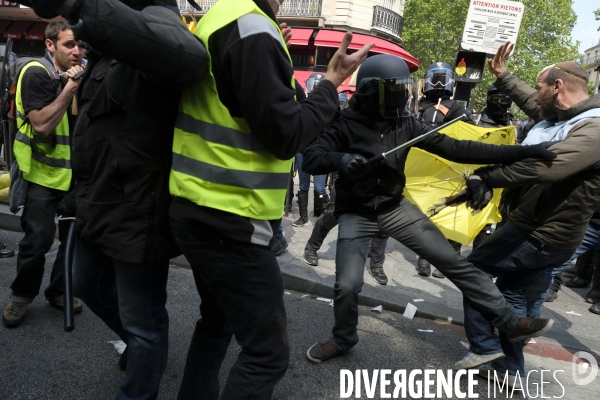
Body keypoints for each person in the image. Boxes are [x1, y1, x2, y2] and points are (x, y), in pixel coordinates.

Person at [166, 0, 373, 398]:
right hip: (230, 218)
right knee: (267, 354)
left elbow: (258, 110)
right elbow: (286, 136)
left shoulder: (225, 16)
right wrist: (329, 85)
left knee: (217, 322)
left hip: (201, 207)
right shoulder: (251, 28)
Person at [301, 53, 557, 363]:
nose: (401, 96)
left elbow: (459, 149)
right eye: (393, 90)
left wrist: (523, 152)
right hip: (357, 213)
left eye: (402, 89)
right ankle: (343, 339)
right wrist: (340, 160)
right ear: (372, 91)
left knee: (454, 262)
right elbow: (313, 156)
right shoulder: (343, 123)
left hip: (397, 209)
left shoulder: (407, 122)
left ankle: (509, 321)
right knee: (347, 285)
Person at [18, 0, 208, 398]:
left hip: (138, 212)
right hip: (95, 206)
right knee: (83, 283)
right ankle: (146, 348)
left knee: (145, 324)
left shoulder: (156, 28)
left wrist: (78, 5)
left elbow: (188, 56)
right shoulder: (106, 56)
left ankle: (142, 368)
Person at [456, 52, 600, 380]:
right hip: (551, 233)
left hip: (538, 233)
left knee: (471, 271)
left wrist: (486, 176)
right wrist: (504, 76)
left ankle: (483, 348)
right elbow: (534, 105)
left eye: (540, 87)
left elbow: (548, 166)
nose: (534, 95)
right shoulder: (568, 116)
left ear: (558, 87)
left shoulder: (595, 129)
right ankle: (508, 371)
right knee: (512, 293)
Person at [2, 21, 84, 328]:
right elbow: (42, 125)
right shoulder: (35, 72)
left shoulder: (76, 74)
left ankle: (58, 291)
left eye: (79, 45)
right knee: (37, 241)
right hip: (42, 176)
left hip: (75, 177)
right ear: (50, 45)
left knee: (73, 240)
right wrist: (70, 88)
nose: (76, 51)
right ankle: (21, 295)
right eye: (68, 45)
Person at [414, 61, 474, 279]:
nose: (438, 83)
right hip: (422, 164)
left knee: (446, 211)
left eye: (442, 78)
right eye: (434, 78)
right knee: (424, 213)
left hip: (445, 167)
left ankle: (445, 257)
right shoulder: (420, 104)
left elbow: (468, 131)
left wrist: (450, 116)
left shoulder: (456, 106)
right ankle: (424, 257)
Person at [293, 72, 330, 226]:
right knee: (303, 185)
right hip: (303, 150)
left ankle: (320, 217)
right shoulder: (303, 104)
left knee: (320, 188)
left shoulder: (328, 108)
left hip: (320, 153)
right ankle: (303, 217)